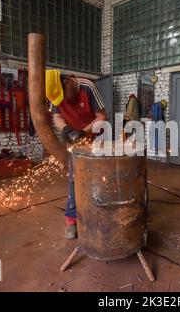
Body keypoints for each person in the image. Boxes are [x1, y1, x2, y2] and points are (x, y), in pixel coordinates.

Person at [45, 70, 107, 239]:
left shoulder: (87, 87)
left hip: (95, 137)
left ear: (67, 82)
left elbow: (102, 117)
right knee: (74, 178)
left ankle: (100, 214)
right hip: (74, 141)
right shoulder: (55, 92)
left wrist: (83, 132)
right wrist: (66, 129)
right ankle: (72, 220)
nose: (63, 101)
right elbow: (56, 117)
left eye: (65, 96)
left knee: (99, 177)